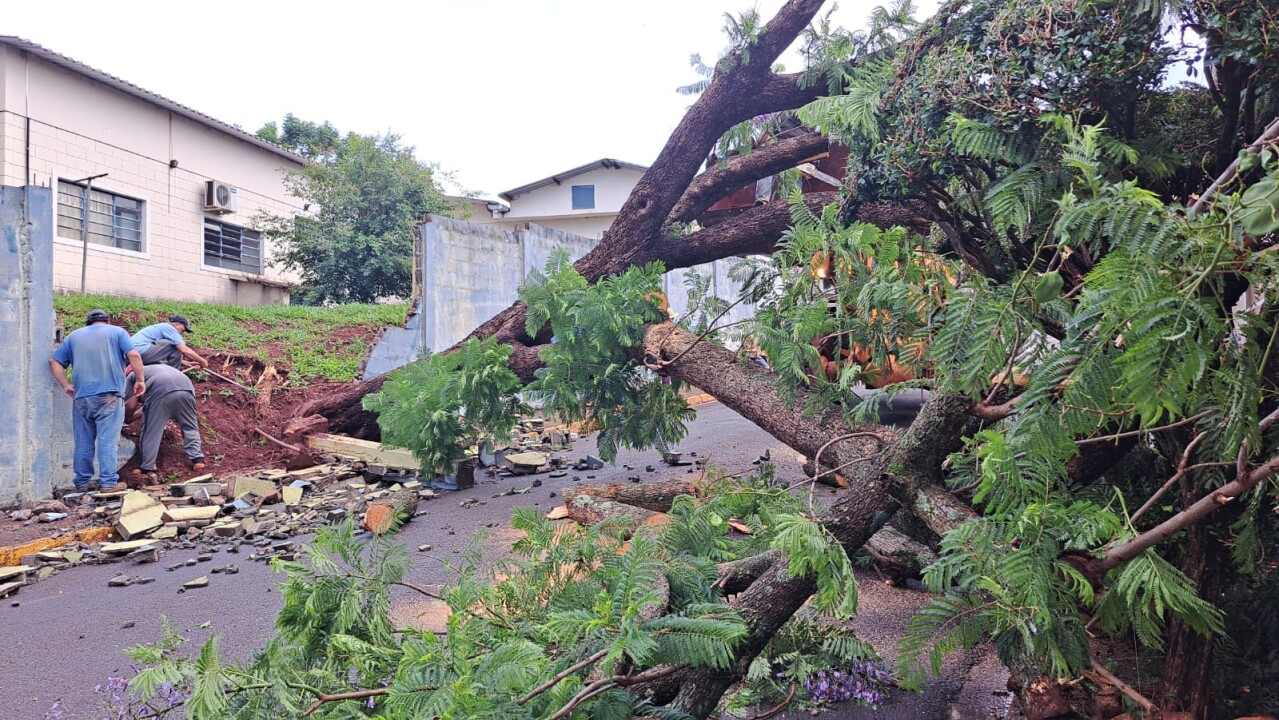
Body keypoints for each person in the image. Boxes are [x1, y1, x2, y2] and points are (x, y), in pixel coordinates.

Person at [48, 309, 147, 491]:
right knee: (107, 440)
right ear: (107, 321)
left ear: (88, 322)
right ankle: (108, 483)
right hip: (109, 395)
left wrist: (66, 385)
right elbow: (134, 355)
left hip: (82, 397)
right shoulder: (117, 332)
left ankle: (82, 483)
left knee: (84, 440)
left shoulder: (73, 336)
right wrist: (140, 380)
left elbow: (54, 361)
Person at [125, 364, 205, 479]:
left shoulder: (132, 376)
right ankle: (198, 460)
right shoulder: (156, 369)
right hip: (186, 389)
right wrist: (133, 417)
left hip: (160, 392)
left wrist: (125, 419)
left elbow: (130, 405)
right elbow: (149, 405)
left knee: (151, 430)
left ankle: (147, 466)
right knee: (190, 427)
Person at [131, 315, 209, 370]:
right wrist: (202, 361)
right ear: (177, 324)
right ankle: (174, 374)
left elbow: (159, 349)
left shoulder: (161, 327)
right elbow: (184, 350)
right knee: (175, 346)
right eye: (182, 330)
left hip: (132, 355)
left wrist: (182, 362)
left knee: (167, 344)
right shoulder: (169, 328)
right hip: (140, 352)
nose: (182, 333)